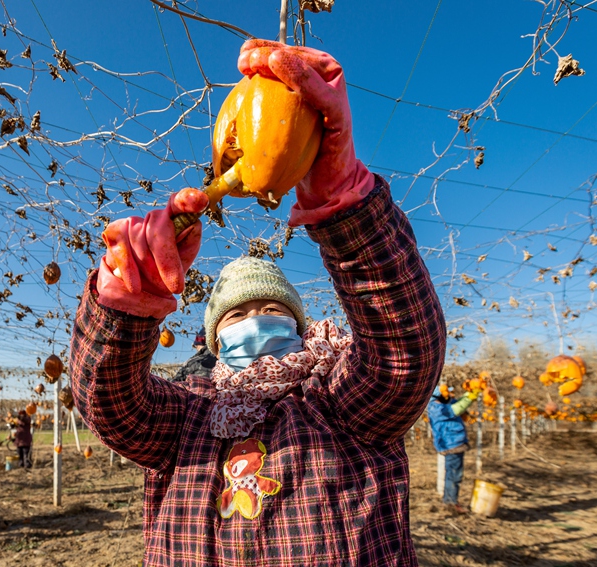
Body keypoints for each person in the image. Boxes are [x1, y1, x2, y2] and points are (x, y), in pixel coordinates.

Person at [70, 40, 445, 566]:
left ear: (297, 321)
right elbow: (109, 405)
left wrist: (345, 207)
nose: (255, 322)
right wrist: (123, 308)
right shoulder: (189, 414)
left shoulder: (339, 400)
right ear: (215, 337)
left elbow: (405, 347)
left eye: (272, 310)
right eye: (237, 315)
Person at [426, 385, 478, 512]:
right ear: (439, 396)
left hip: (454, 443)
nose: (449, 396)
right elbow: (456, 409)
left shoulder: (444, 404)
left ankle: (450, 500)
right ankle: (450, 502)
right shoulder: (436, 408)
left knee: (453, 472)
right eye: (446, 394)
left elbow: (458, 403)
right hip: (451, 444)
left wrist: (468, 394)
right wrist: (469, 398)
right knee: (454, 474)